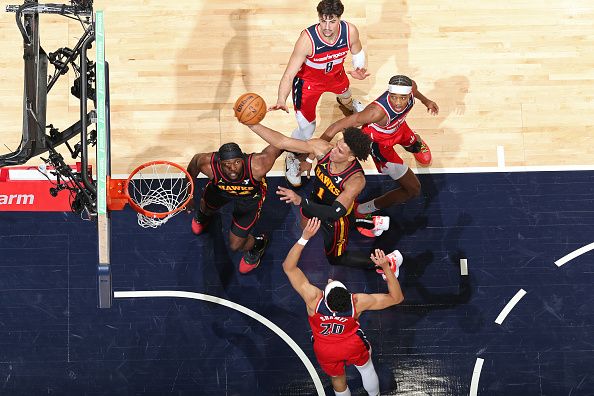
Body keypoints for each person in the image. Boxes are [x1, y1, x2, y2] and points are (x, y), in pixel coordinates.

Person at [244, 121, 399, 279]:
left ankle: (385, 262)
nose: (333, 151)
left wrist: (300, 201)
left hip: (337, 218)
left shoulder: (355, 180)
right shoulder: (323, 149)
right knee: (305, 225)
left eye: (340, 151)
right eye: (336, 145)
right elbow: (282, 142)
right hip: (315, 200)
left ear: (351, 157)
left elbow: (334, 213)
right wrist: (252, 125)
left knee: (335, 258)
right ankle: (371, 223)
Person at [283, 217, 405, 396]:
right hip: (351, 345)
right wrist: (386, 268)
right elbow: (396, 298)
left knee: (337, 379)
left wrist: (304, 237)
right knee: (366, 368)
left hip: (325, 349)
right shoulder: (357, 302)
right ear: (348, 295)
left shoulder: (314, 300)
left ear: (325, 296)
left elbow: (288, 267)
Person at [268, 0, 370, 188]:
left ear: (339, 18)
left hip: (335, 75)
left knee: (346, 94)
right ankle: (293, 154)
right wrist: (281, 99)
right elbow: (289, 73)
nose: (327, 27)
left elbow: (358, 51)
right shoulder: (307, 39)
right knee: (307, 130)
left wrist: (358, 68)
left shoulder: (350, 31)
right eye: (323, 21)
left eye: (332, 21)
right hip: (308, 84)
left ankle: (347, 104)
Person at [318, 75, 439, 222]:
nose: (398, 103)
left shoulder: (411, 86)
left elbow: (415, 90)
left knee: (414, 145)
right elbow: (336, 126)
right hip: (380, 143)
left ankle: (417, 144)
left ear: (409, 94)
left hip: (399, 127)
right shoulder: (376, 113)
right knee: (413, 190)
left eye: (403, 98)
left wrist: (426, 101)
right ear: (389, 93)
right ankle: (363, 209)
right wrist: (313, 153)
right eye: (394, 97)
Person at [186, 142, 282, 274]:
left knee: (235, 245)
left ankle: (258, 244)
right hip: (220, 190)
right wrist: (189, 194)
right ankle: (204, 216)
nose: (232, 168)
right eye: (227, 164)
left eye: (237, 162)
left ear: (243, 159)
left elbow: (281, 144)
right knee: (206, 205)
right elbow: (193, 166)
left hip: (249, 199)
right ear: (219, 163)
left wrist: (305, 157)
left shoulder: (259, 165)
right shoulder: (207, 164)